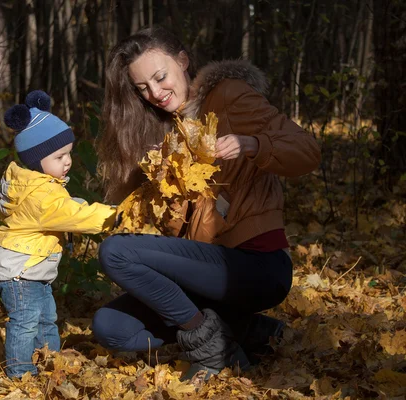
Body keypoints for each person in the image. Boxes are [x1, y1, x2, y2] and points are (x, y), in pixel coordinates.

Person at [93, 26, 321, 380]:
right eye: (142, 88)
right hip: (207, 276)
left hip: (257, 265)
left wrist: (253, 144)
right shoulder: (164, 133)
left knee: (115, 253)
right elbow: (180, 231)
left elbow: (307, 151)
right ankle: (251, 332)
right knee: (110, 326)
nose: (155, 93)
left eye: (160, 77)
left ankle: (210, 347)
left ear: (182, 61)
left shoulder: (228, 96)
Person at [0, 90, 118, 378]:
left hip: (32, 270)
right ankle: (20, 372)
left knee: (47, 318)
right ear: (36, 159)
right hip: (20, 272)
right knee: (25, 320)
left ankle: (49, 361)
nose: (68, 161)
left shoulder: (40, 185)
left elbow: (67, 207)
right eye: (59, 156)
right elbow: (70, 214)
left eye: (69, 153)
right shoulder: (41, 195)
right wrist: (113, 215)